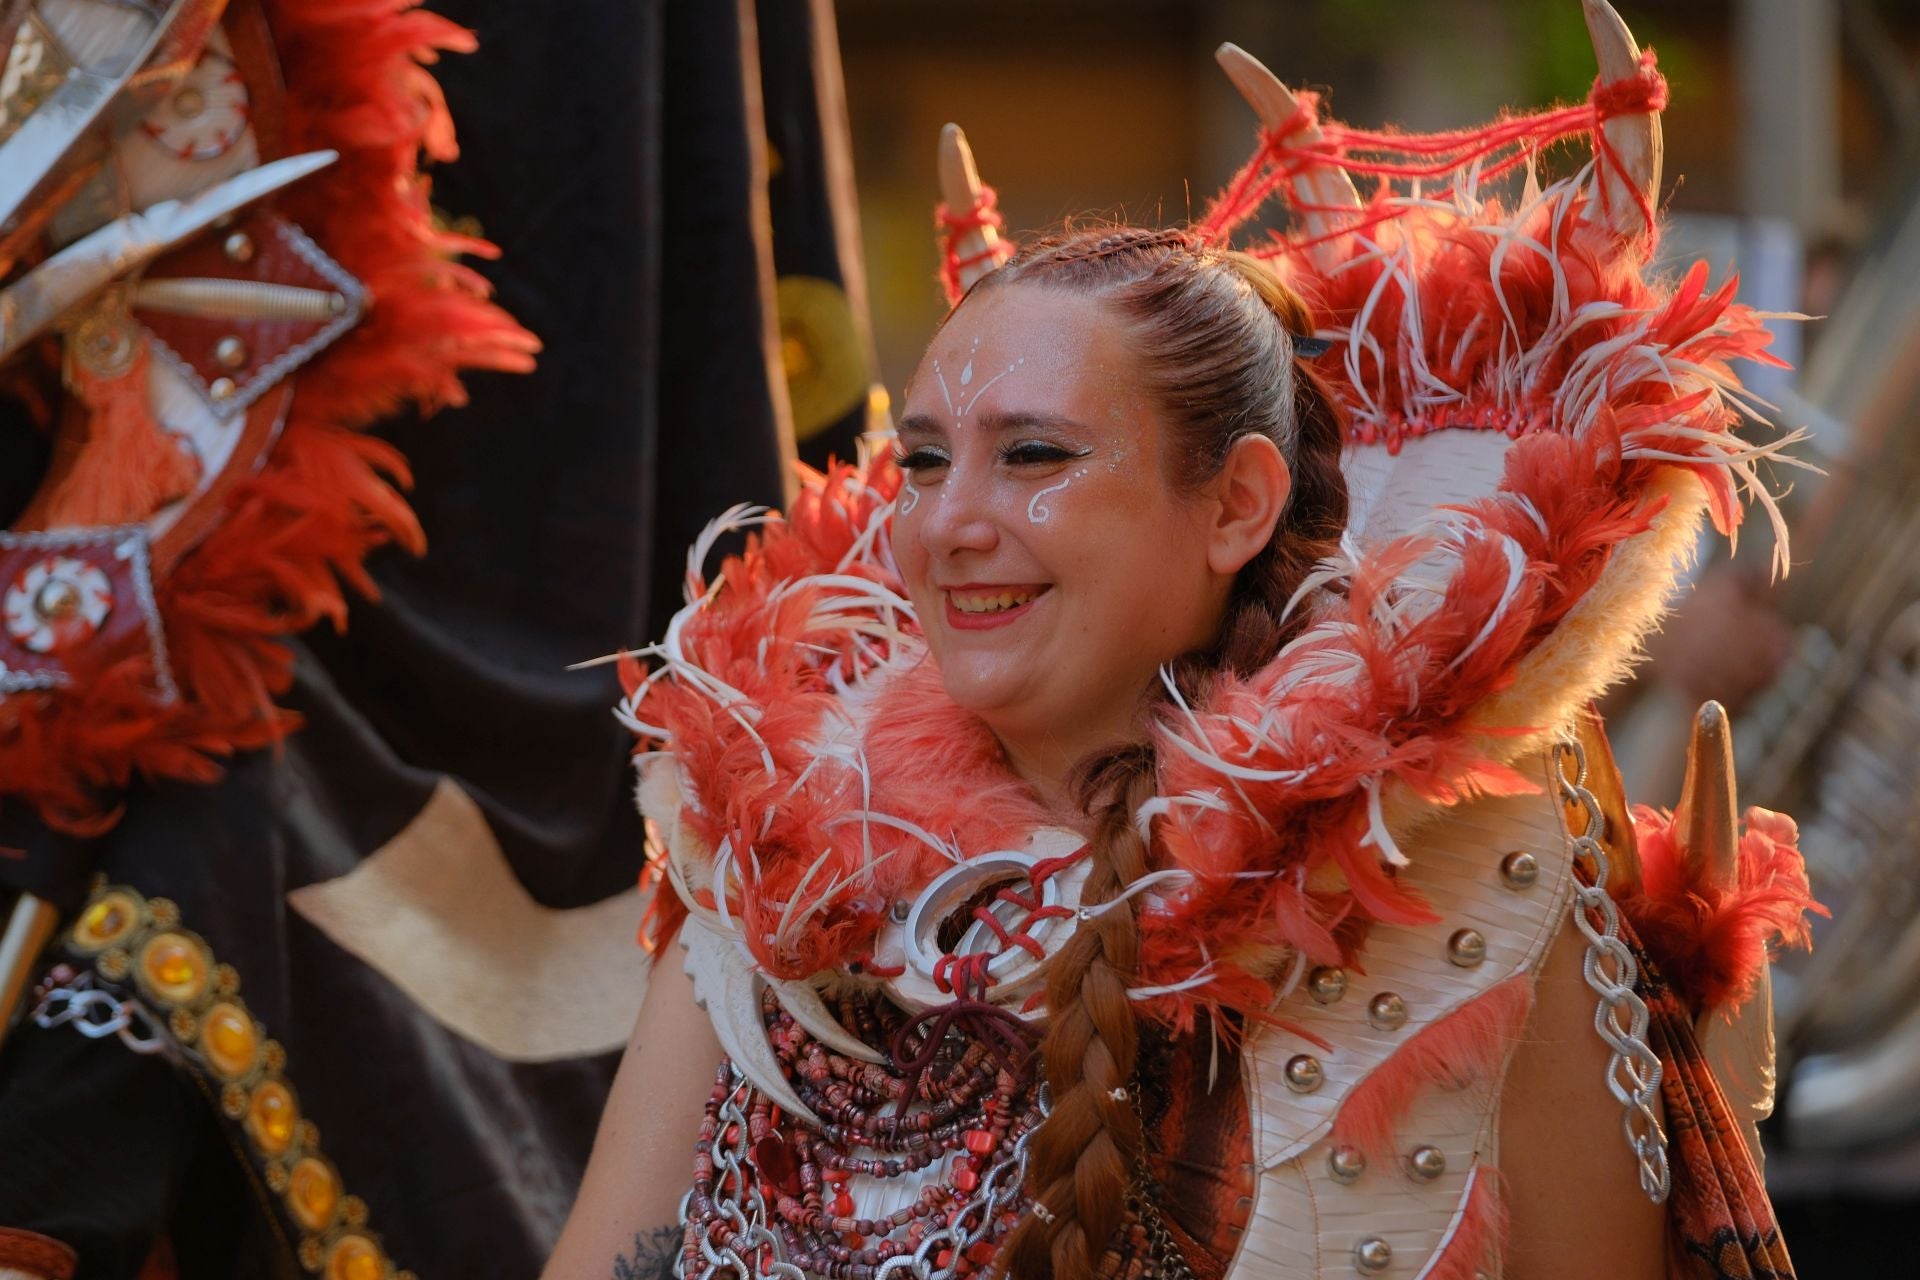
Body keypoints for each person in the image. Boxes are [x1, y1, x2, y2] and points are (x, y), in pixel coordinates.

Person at [546, 9, 1817, 1278]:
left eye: (1032, 454)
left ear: (1237, 505)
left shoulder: (1489, 885)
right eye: (925, 461)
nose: (949, 525)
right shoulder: (772, 884)